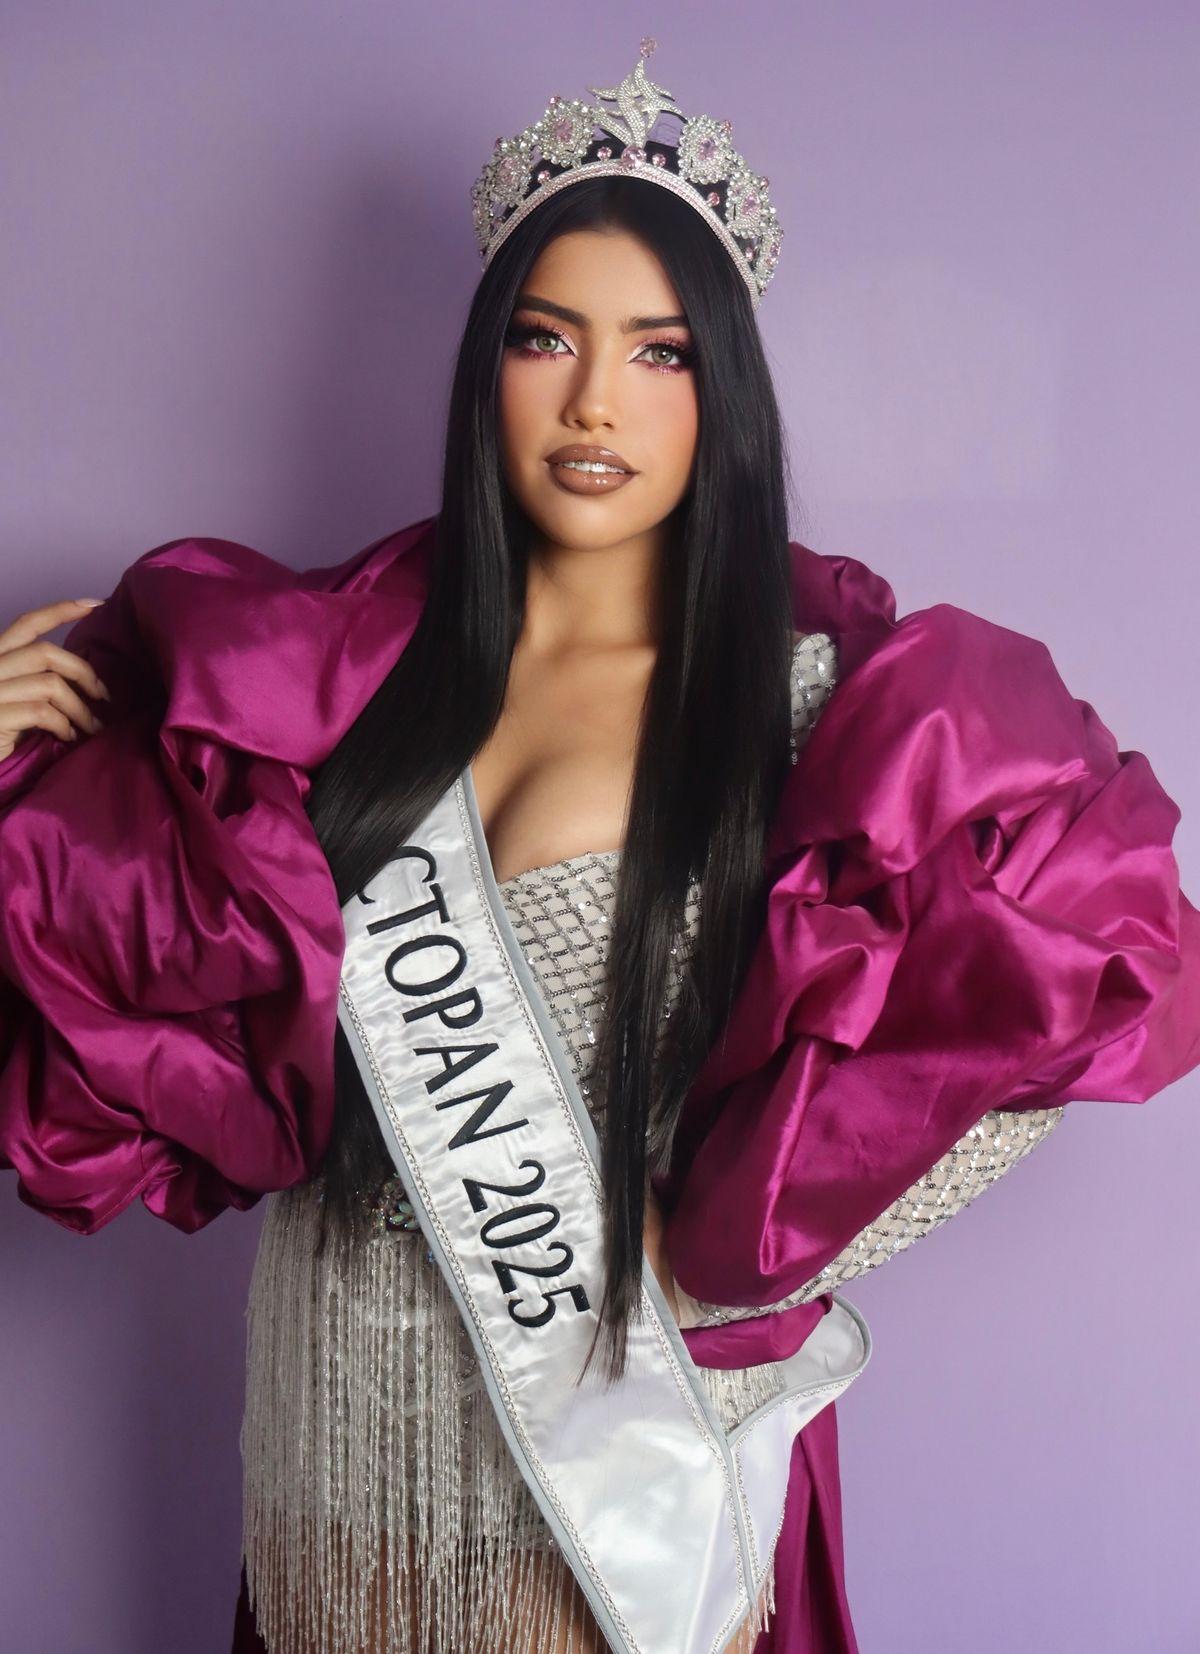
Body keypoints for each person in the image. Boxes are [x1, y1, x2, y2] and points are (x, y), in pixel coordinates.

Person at [2, 38, 1198, 1654]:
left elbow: (1098, 973)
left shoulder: (807, 711)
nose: (593, 401)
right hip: (325, 1473)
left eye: (659, 352)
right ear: (486, 366)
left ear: (723, 389)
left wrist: (738, 1250)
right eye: (546, 337)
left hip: (602, 1505)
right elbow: (119, 1017)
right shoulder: (338, 683)